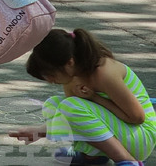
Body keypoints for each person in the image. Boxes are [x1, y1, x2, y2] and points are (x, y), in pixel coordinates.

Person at [9, 29, 156, 166]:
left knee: (70, 106)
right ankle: (93, 156)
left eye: (51, 74)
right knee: (53, 104)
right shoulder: (73, 75)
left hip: (141, 136)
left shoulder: (104, 72)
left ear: (70, 62)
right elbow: (73, 120)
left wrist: (95, 98)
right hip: (124, 132)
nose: (50, 80)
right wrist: (39, 131)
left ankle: (127, 161)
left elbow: (137, 117)